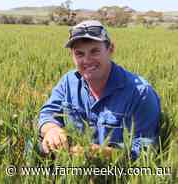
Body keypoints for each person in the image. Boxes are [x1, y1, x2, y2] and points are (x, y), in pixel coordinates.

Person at [38, 20, 160, 160]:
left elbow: (146, 149)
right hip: (72, 167)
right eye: (79, 54)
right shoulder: (68, 82)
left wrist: (102, 153)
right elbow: (47, 113)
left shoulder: (140, 93)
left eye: (95, 51)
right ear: (72, 56)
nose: (87, 60)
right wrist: (52, 129)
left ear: (110, 49)